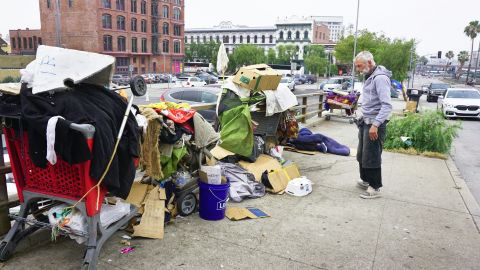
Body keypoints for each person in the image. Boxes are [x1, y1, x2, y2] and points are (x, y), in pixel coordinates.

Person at [354, 51, 393, 199]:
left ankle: (375, 187)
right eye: (357, 66)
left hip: (375, 123)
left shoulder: (380, 78)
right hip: (366, 121)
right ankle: (365, 180)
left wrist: (375, 125)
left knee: (372, 156)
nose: (358, 69)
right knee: (362, 154)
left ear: (369, 62)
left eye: (360, 66)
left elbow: (387, 105)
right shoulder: (369, 75)